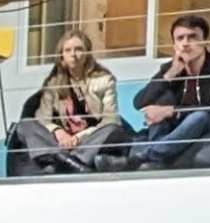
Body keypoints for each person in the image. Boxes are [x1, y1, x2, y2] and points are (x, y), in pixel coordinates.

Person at [115, 10, 210, 170]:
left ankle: (146, 157)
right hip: (177, 128)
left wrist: (172, 111)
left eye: (192, 37)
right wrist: (171, 74)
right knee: (158, 111)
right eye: (180, 38)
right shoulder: (170, 68)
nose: (185, 43)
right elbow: (140, 102)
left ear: (205, 41)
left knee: (199, 116)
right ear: (174, 45)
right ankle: (157, 159)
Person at [8, 31, 125, 175]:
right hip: (59, 146)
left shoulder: (104, 80)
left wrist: (77, 138)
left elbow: (110, 118)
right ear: (61, 55)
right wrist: (58, 132)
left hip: (87, 142)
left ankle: (70, 162)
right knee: (25, 125)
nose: (73, 54)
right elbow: (42, 119)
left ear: (87, 53)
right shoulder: (54, 82)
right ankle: (62, 159)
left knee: (113, 128)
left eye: (78, 49)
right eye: (68, 50)